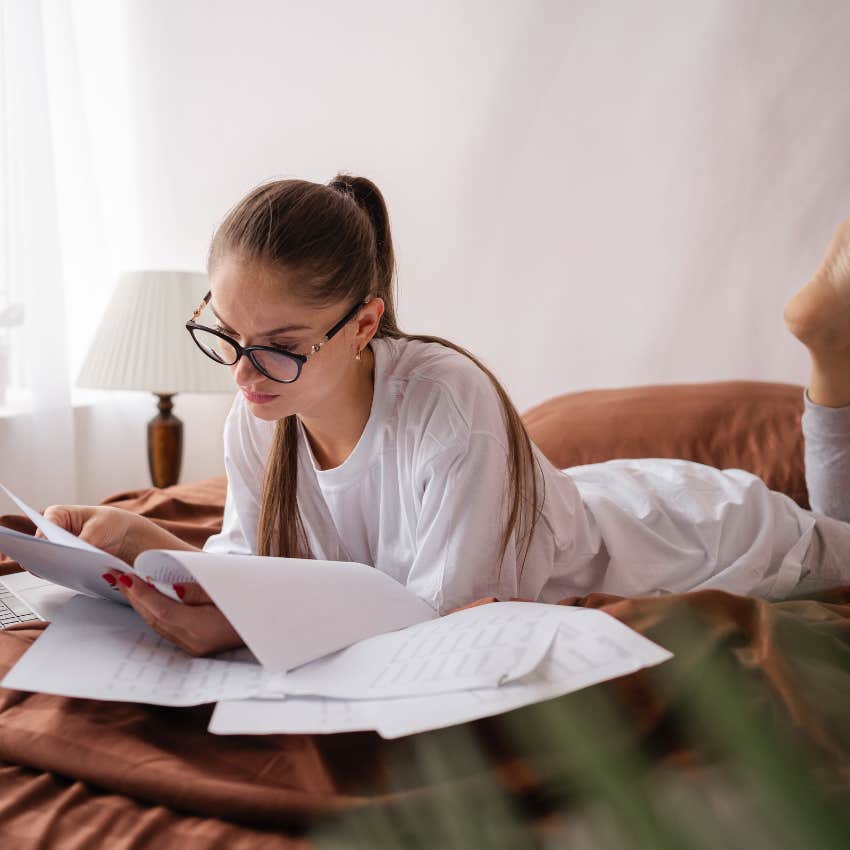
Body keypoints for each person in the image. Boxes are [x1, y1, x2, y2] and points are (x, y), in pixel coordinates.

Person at [43, 175, 850, 657]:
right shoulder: (258, 414)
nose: (246, 372)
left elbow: (445, 621)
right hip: (588, 500)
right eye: (227, 334)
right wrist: (143, 547)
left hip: (687, 540)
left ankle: (830, 358)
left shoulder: (447, 402)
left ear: (363, 324)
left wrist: (237, 633)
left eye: (281, 346)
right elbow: (260, 569)